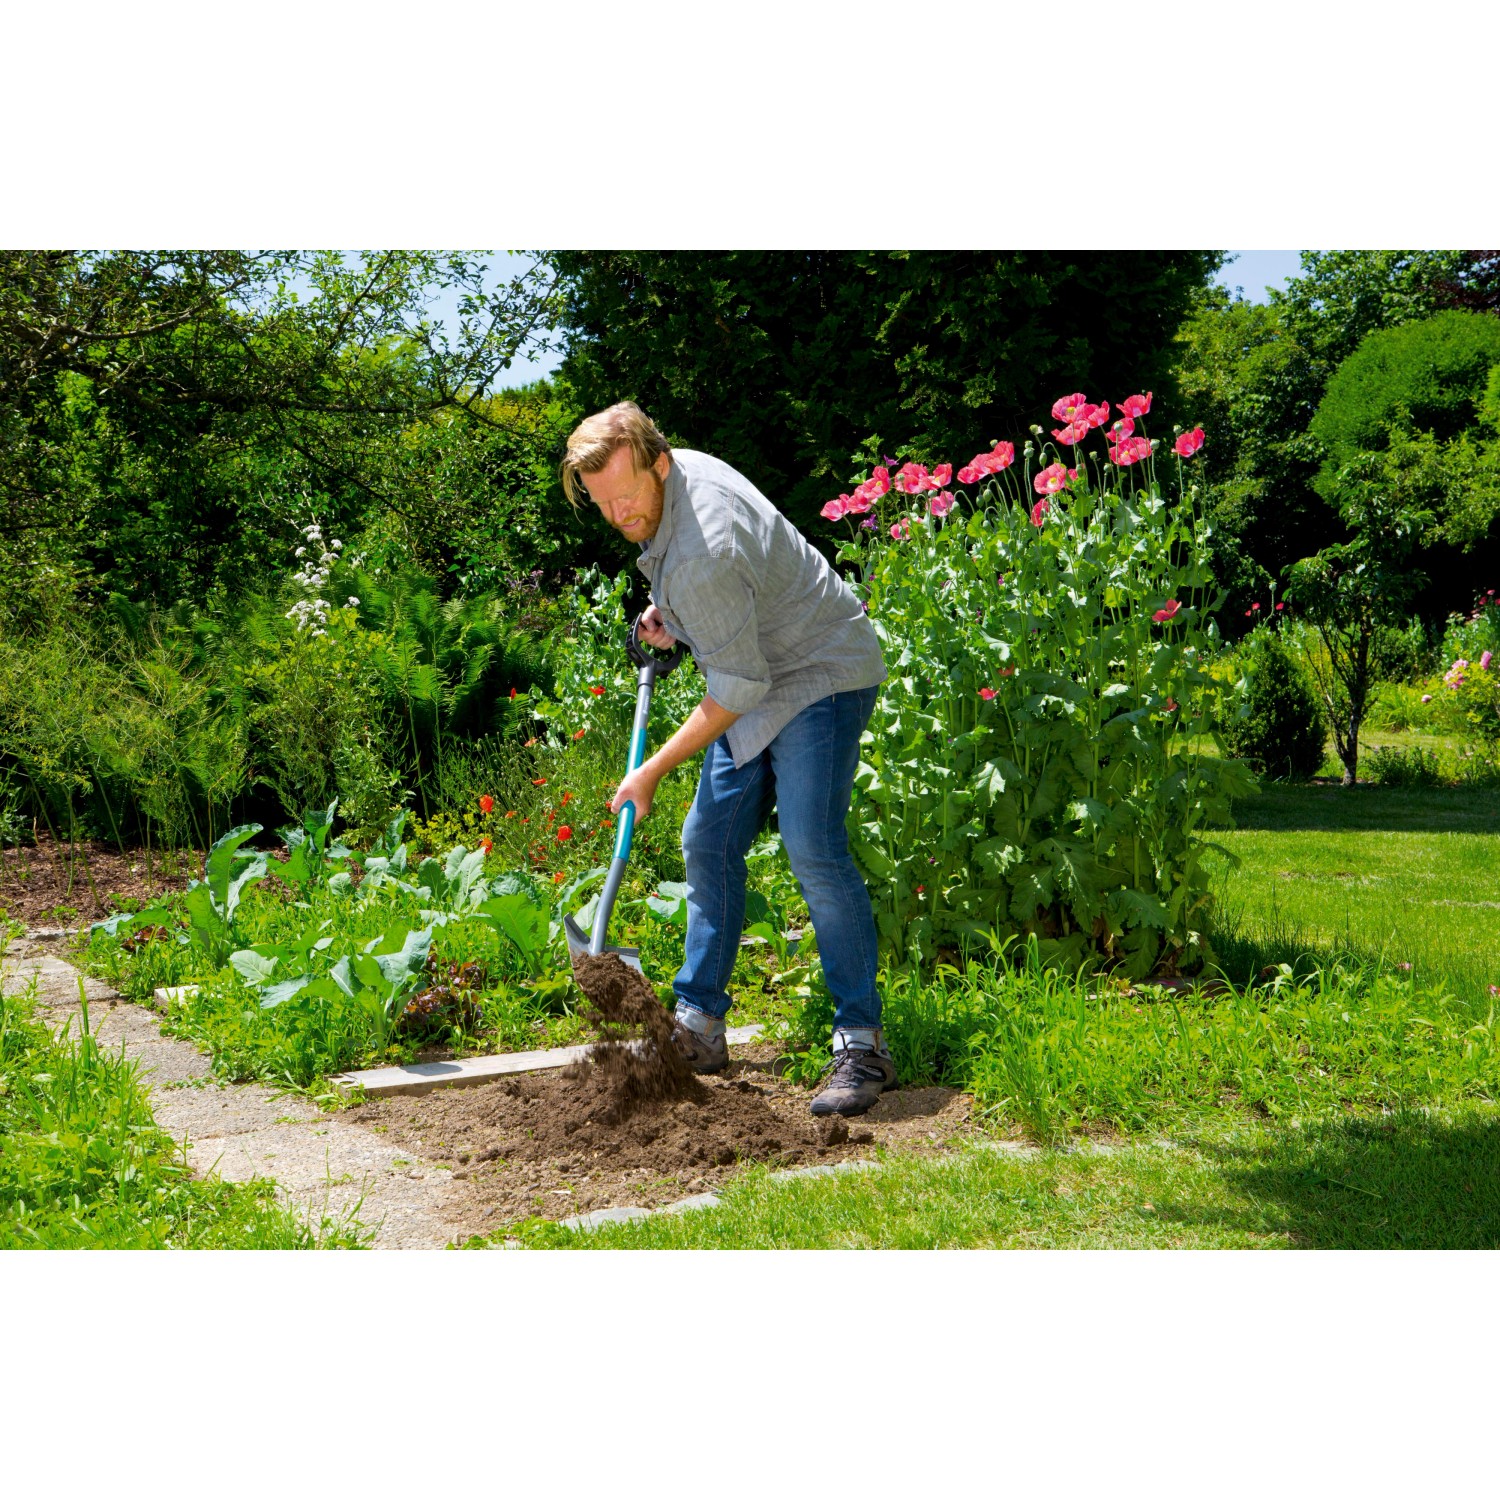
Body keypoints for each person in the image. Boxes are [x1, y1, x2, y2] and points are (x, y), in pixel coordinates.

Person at [561, 402, 895, 1118]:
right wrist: (673, 618)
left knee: (813, 848)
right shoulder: (669, 486)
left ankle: (862, 1042)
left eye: (627, 495)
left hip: (818, 672)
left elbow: (737, 680)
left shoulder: (704, 545)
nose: (619, 514)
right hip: (755, 674)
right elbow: (717, 612)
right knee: (707, 840)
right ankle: (699, 1027)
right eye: (603, 504)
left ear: (658, 461)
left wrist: (650, 771)